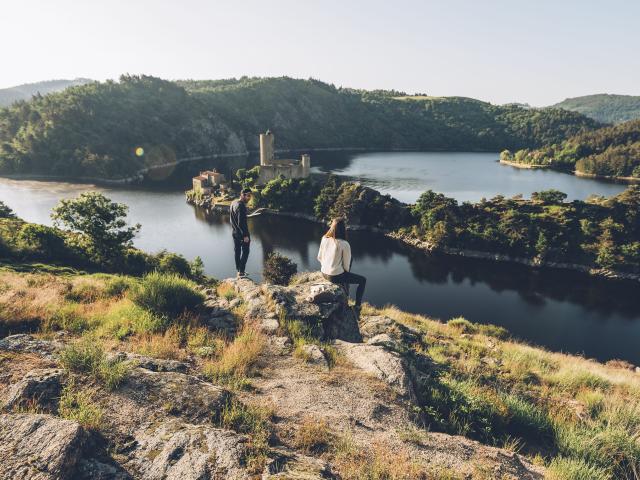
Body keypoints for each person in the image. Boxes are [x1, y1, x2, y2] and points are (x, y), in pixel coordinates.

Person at [317, 218, 366, 316]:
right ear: (343, 229)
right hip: (335, 276)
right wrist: (344, 277)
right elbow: (346, 267)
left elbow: (319, 257)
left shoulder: (324, 238)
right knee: (363, 280)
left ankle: (345, 286)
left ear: (332, 227)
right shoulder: (344, 244)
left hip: (323, 272)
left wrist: (328, 265)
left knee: (346, 264)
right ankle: (357, 306)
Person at [230, 188, 252, 277]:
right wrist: (245, 235)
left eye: (250, 196)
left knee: (237, 251)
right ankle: (241, 271)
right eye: (248, 196)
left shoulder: (233, 202)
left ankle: (238, 270)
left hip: (235, 232)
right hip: (242, 234)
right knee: (246, 251)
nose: (249, 198)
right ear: (242, 195)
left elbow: (232, 220)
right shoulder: (241, 206)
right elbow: (241, 223)